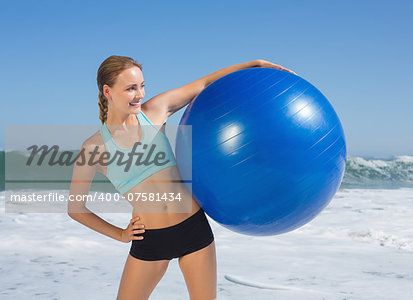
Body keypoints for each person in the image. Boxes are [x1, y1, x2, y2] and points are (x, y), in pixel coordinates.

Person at [67, 55, 296, 300]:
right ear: (107, 91)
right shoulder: (93, 148)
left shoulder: (154, 112)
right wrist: (120, 235)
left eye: (142, 85)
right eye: (131, 88)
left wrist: (254, 65)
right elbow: (76, 208)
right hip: (150, 239)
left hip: (193, 228)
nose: (140, 94)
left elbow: (204, 85)